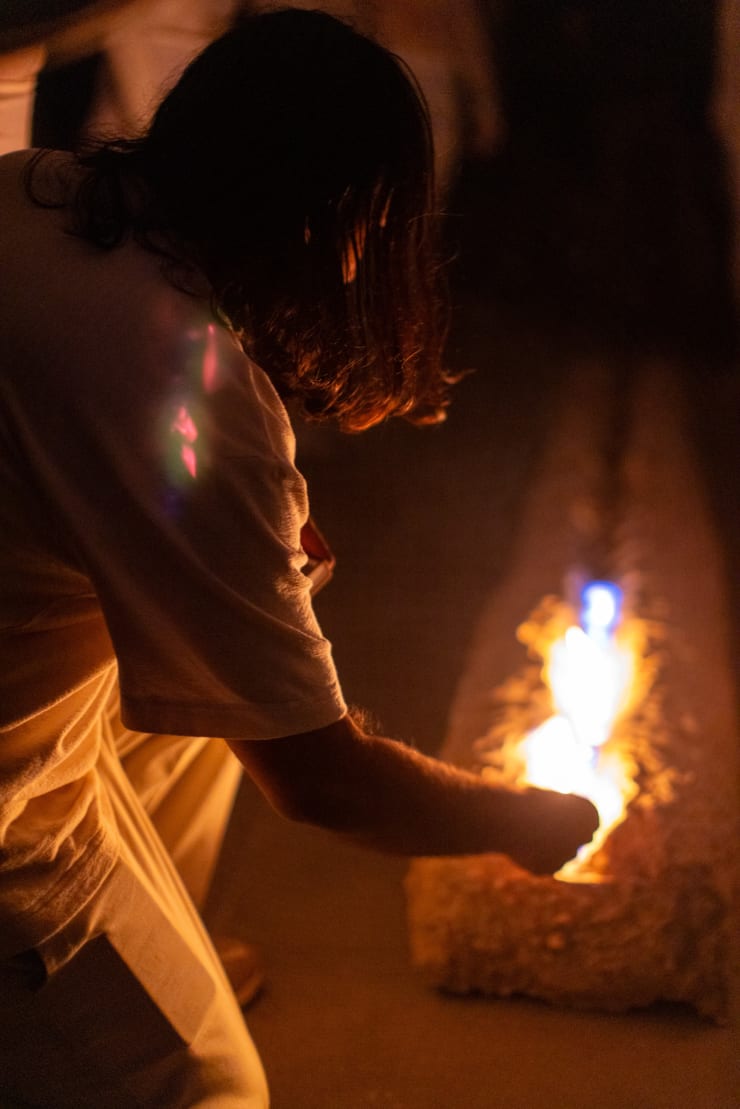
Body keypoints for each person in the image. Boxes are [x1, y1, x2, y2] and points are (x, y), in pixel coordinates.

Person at [0, 9, 598, 1106]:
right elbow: (323, 781)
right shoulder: (185, 380)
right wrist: (516, 819)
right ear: (347, 221)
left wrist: (240, 537)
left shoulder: (41, 190)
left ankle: (143, 946)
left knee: (197, 705)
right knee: (207, 1085)